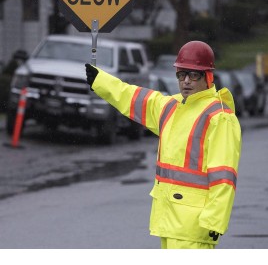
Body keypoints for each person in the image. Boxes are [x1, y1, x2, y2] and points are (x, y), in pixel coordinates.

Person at [85, 40, 242, 249]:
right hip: (169, 222)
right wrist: (100, 81)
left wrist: (214, 220)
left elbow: (224, 176)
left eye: (193, 75)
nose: (186, 81)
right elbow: (132, 97)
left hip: (195, 228)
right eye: (181, 74)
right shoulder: (171, 107)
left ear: (208, 77)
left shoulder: (219, 117)